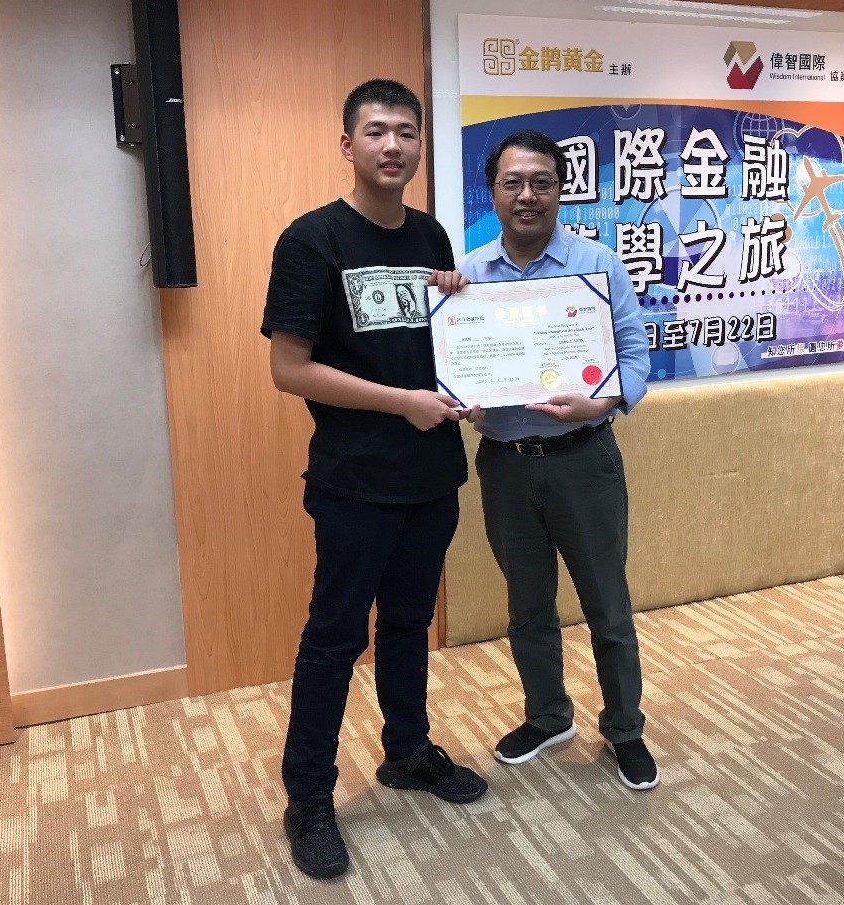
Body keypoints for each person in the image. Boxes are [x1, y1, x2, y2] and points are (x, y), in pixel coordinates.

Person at [261, 79, 487, 881]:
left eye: (406, 132)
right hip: (355, 481)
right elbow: (289, 369)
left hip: (432, 475)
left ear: (421, 146)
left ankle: (407, 751)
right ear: (347, 145)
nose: (393, 145)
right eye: (376, 131)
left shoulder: (430, 236)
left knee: (408, 624)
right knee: (334, 638)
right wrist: (402, 403)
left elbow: (437, 348)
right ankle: (308, 798)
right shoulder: (311, 239)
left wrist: (462, 336)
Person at [459, 129, 657, 791]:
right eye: (512, 183)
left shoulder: (598, 265)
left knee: (608, 606)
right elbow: (451, 366)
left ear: (561, 191)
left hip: (584, 460)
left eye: (541, 182)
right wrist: (458, 394)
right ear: (492, 193)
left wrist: (598, 402)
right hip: (505, 464)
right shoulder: (467, 276)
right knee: (527, 604)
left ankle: (624, 727)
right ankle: (548, 716)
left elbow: (635, 359)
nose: (527, 195)